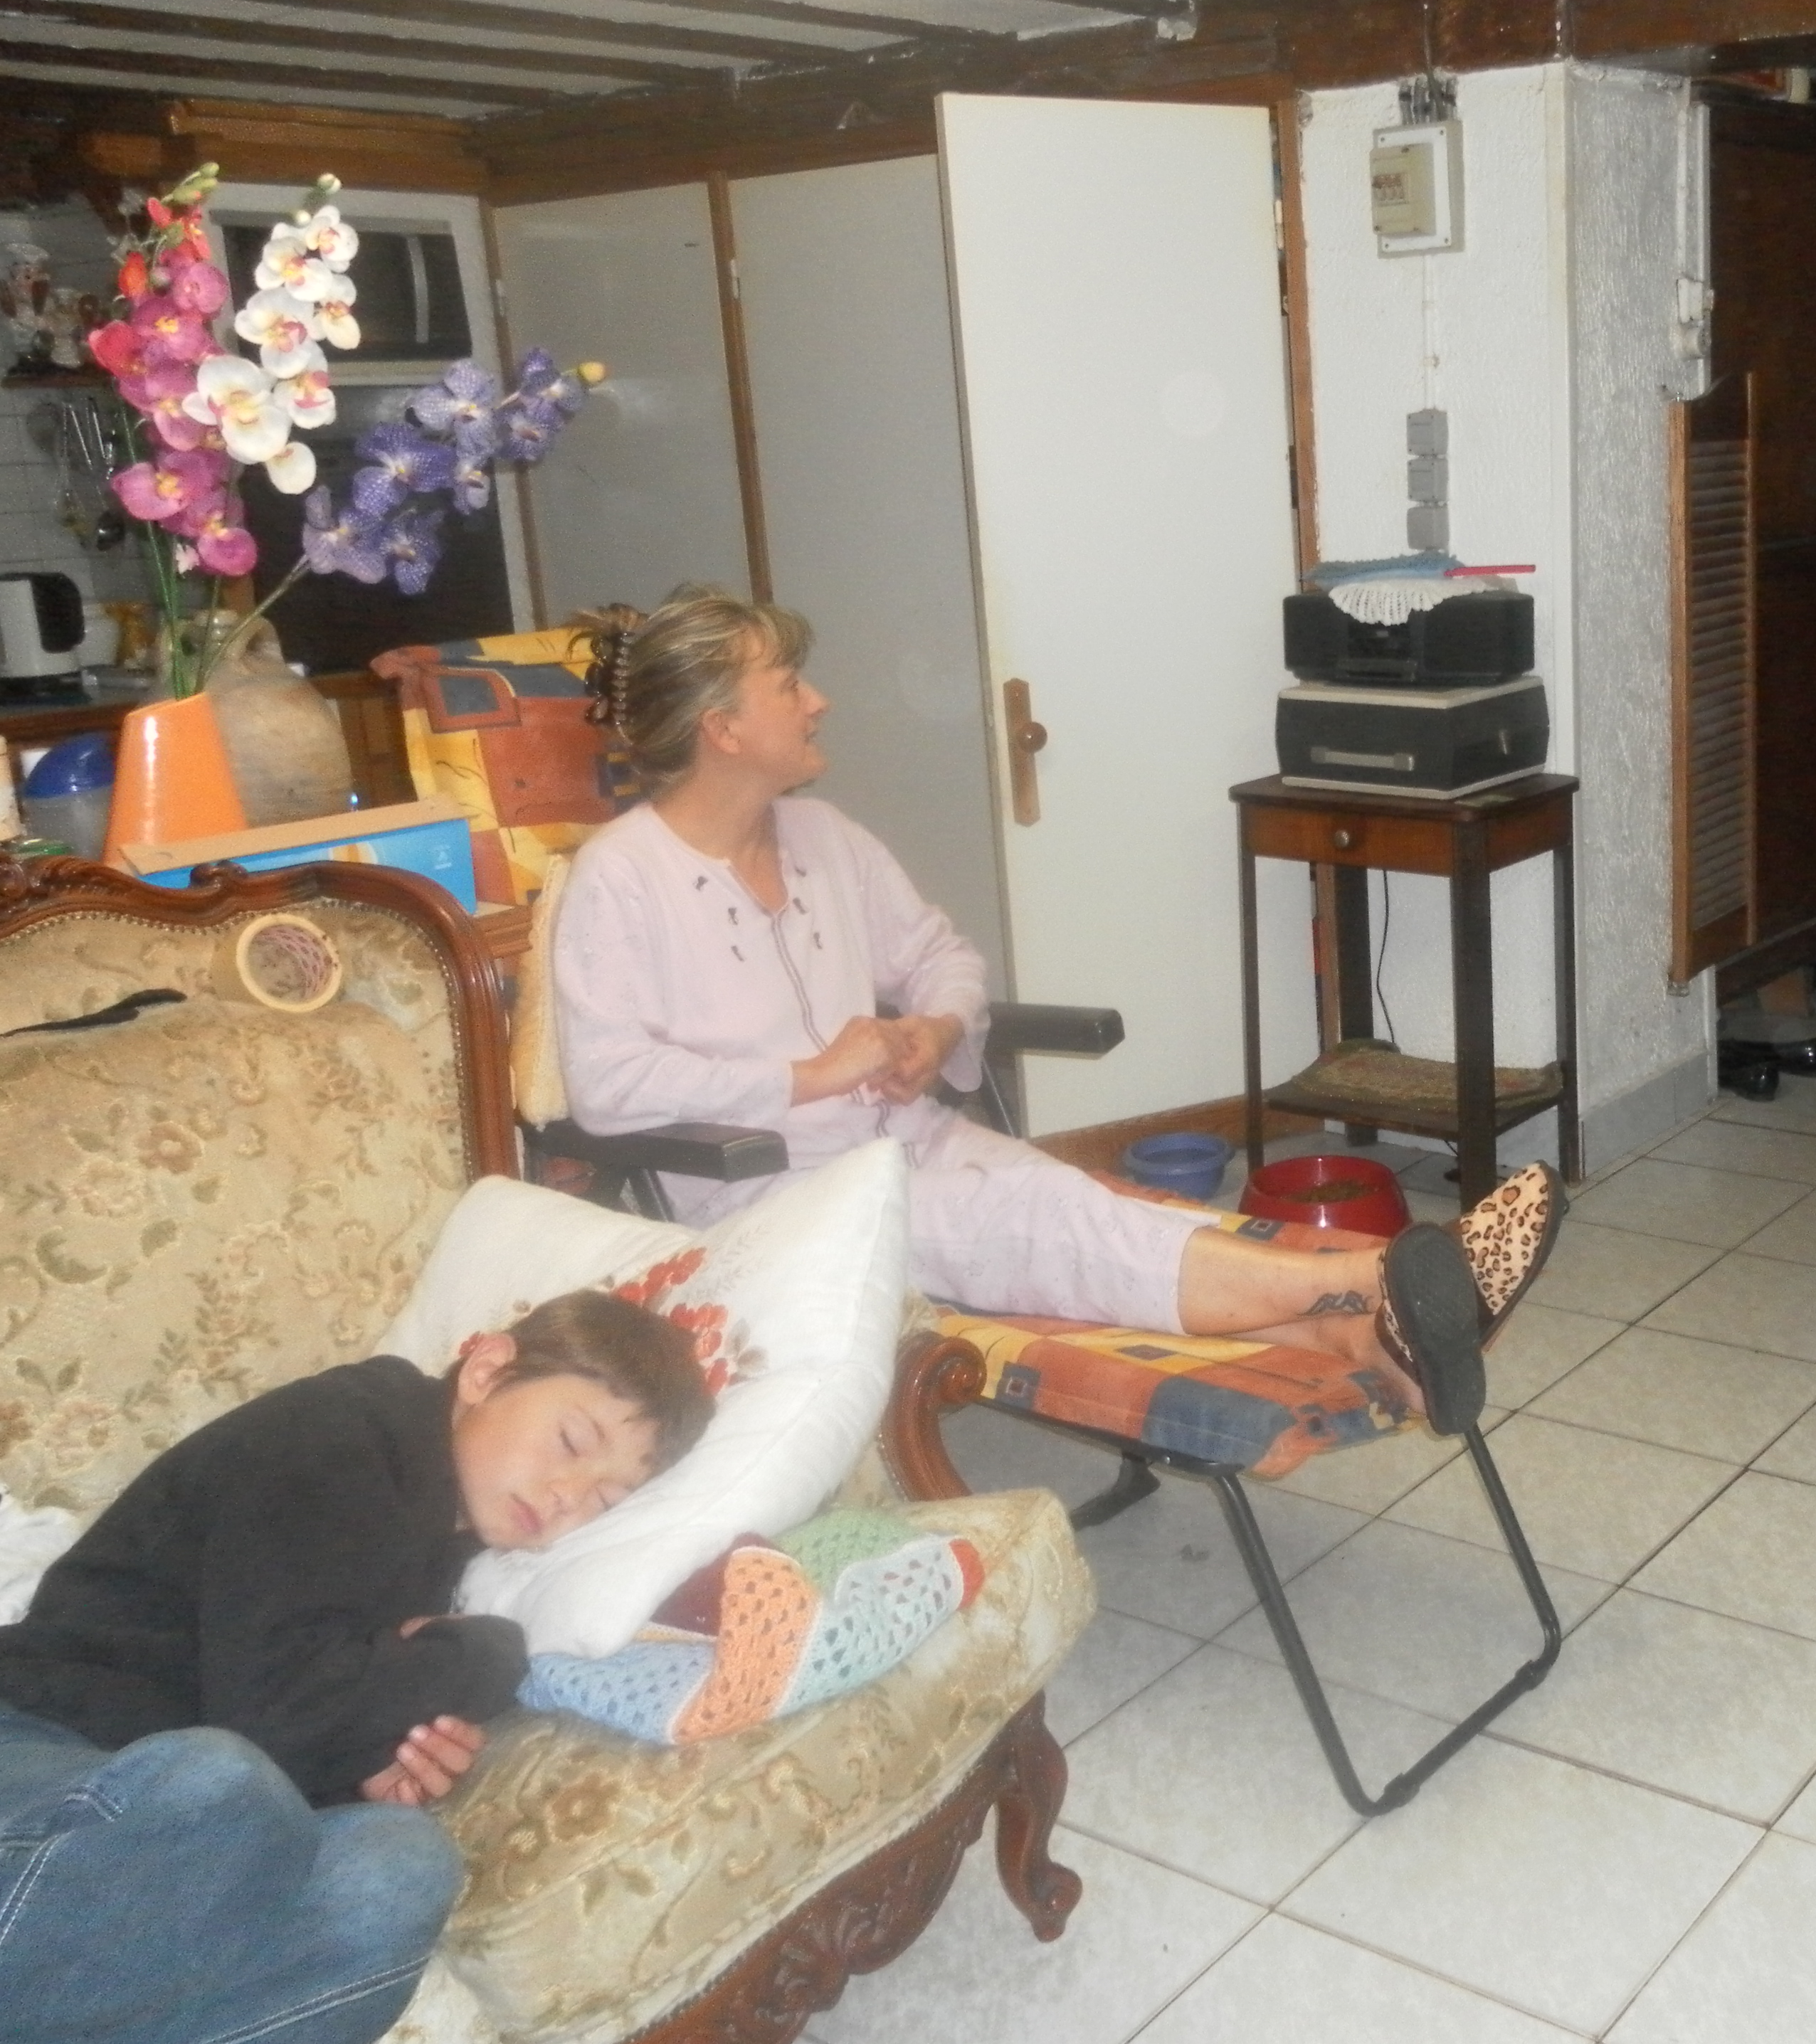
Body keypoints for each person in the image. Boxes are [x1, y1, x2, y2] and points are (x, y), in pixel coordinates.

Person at [552, 588, 1566, 1440]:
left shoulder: (823, 837)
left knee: (1085, 1206)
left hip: (902, 1143)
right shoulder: (622, 877)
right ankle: (1385, 1275)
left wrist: (936, 1031)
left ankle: (1368, 1345)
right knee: (1044, 1220)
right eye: (789, 685)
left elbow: (944, 958)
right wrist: (809, 1077)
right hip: (775, 1201)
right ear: (723, 728)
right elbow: (606, 1087)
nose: (818, 701)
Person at [0, 1290, 716, 2044]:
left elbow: (292, 1717)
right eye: (571, 1442)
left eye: (606, 1498)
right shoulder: (339, 1437)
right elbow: (275, 1719)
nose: (568, 1496)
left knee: (402, 1865)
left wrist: (362, 1768)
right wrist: (487, 1653)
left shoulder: (448, 1542)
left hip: (175, 1827)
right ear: (486, 1370)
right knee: (219, 1781)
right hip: (41, 1739)